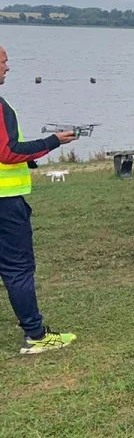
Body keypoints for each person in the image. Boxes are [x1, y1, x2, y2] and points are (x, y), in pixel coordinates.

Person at [0, 45, 79, 353]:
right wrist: (52, 141)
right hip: (5, 201)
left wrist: (29, 157)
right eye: (4, 62)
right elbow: (8, 152)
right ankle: (35, 335)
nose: (8, 68)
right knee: (18, 268)